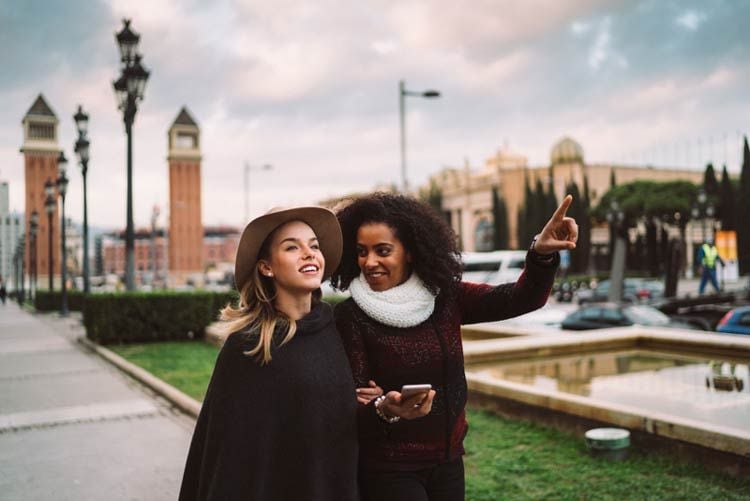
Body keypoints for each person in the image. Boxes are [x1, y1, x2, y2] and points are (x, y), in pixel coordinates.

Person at [331, 192, 578, 501]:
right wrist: (385, 409)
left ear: (409, 251)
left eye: (382, 251)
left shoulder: (446, 297)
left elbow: (521, 297)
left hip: (448, 461)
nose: (369, 262)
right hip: (389, 468)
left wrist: (541, 254)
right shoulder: (351, 317)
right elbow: (349, 405)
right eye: (361, 252)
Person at [179, 206, 360, 501]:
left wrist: (380, 408)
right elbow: (228, 457)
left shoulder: (336, 329)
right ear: (266, 267)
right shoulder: (248, 345)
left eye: (314, 246)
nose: (309, 253)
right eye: (292, 247)